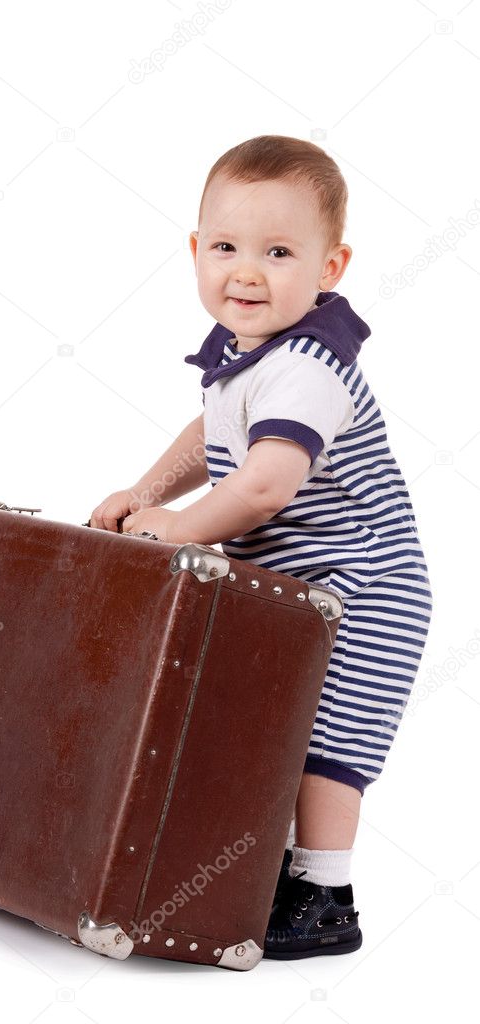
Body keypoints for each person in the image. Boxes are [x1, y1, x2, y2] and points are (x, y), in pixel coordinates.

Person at [89, 135, 433, 959]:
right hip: (297, 587)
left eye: (278, 253)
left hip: (364, 586)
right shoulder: (242, 360)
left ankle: (325, 898)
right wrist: (145, 494)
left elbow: (267, 482)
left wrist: (179, 526)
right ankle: (273, 874)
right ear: (194, 252)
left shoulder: (309, 365)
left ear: (330, 268)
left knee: (327, 746)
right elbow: (207, 435)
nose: (245, 272)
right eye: (226, 248)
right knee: (268, 728)